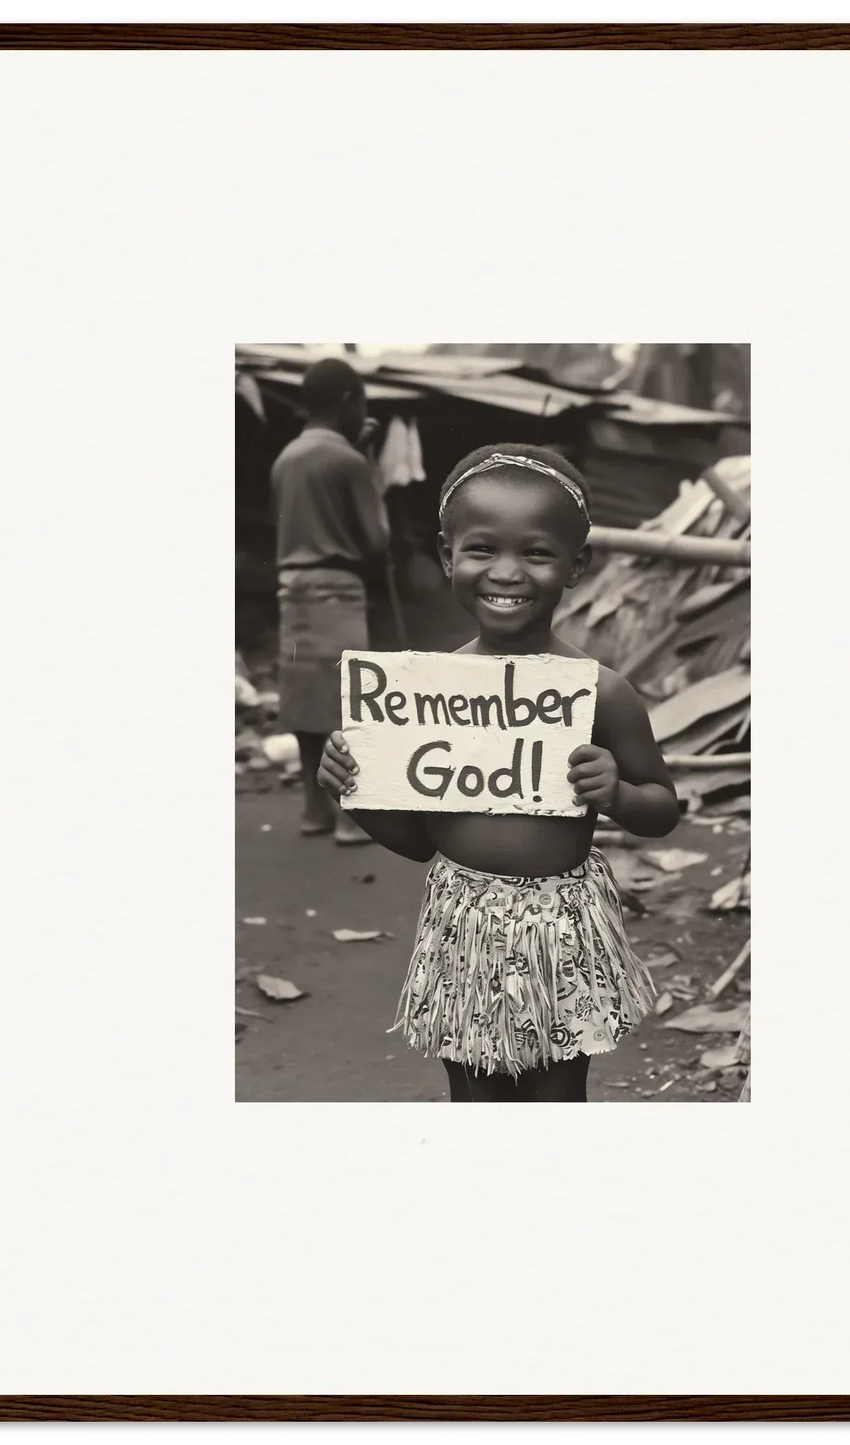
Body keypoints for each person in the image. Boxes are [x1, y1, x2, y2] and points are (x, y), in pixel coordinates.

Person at [317, 443, 680, 1100]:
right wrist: (354, 793)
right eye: (482, 549)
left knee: (557, 1094)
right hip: (463, 923)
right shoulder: (423, 698)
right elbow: (420, 839)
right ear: (447, 555)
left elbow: (663, 807)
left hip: (561, 927)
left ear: (576, 566)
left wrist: (620, 793)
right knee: (475, 1094)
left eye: (536, 553)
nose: (506, 572)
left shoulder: (600, 692)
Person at [272, 357, 387, 844]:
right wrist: (368, 464)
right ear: (348, 402)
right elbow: (376, 539)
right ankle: (350, 816)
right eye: (360, 400)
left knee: (304, 703)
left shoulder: (287, 459)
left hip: (292, 593)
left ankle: (314, 811)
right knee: (350, 702)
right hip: (338, 591)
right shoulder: (348, 461)